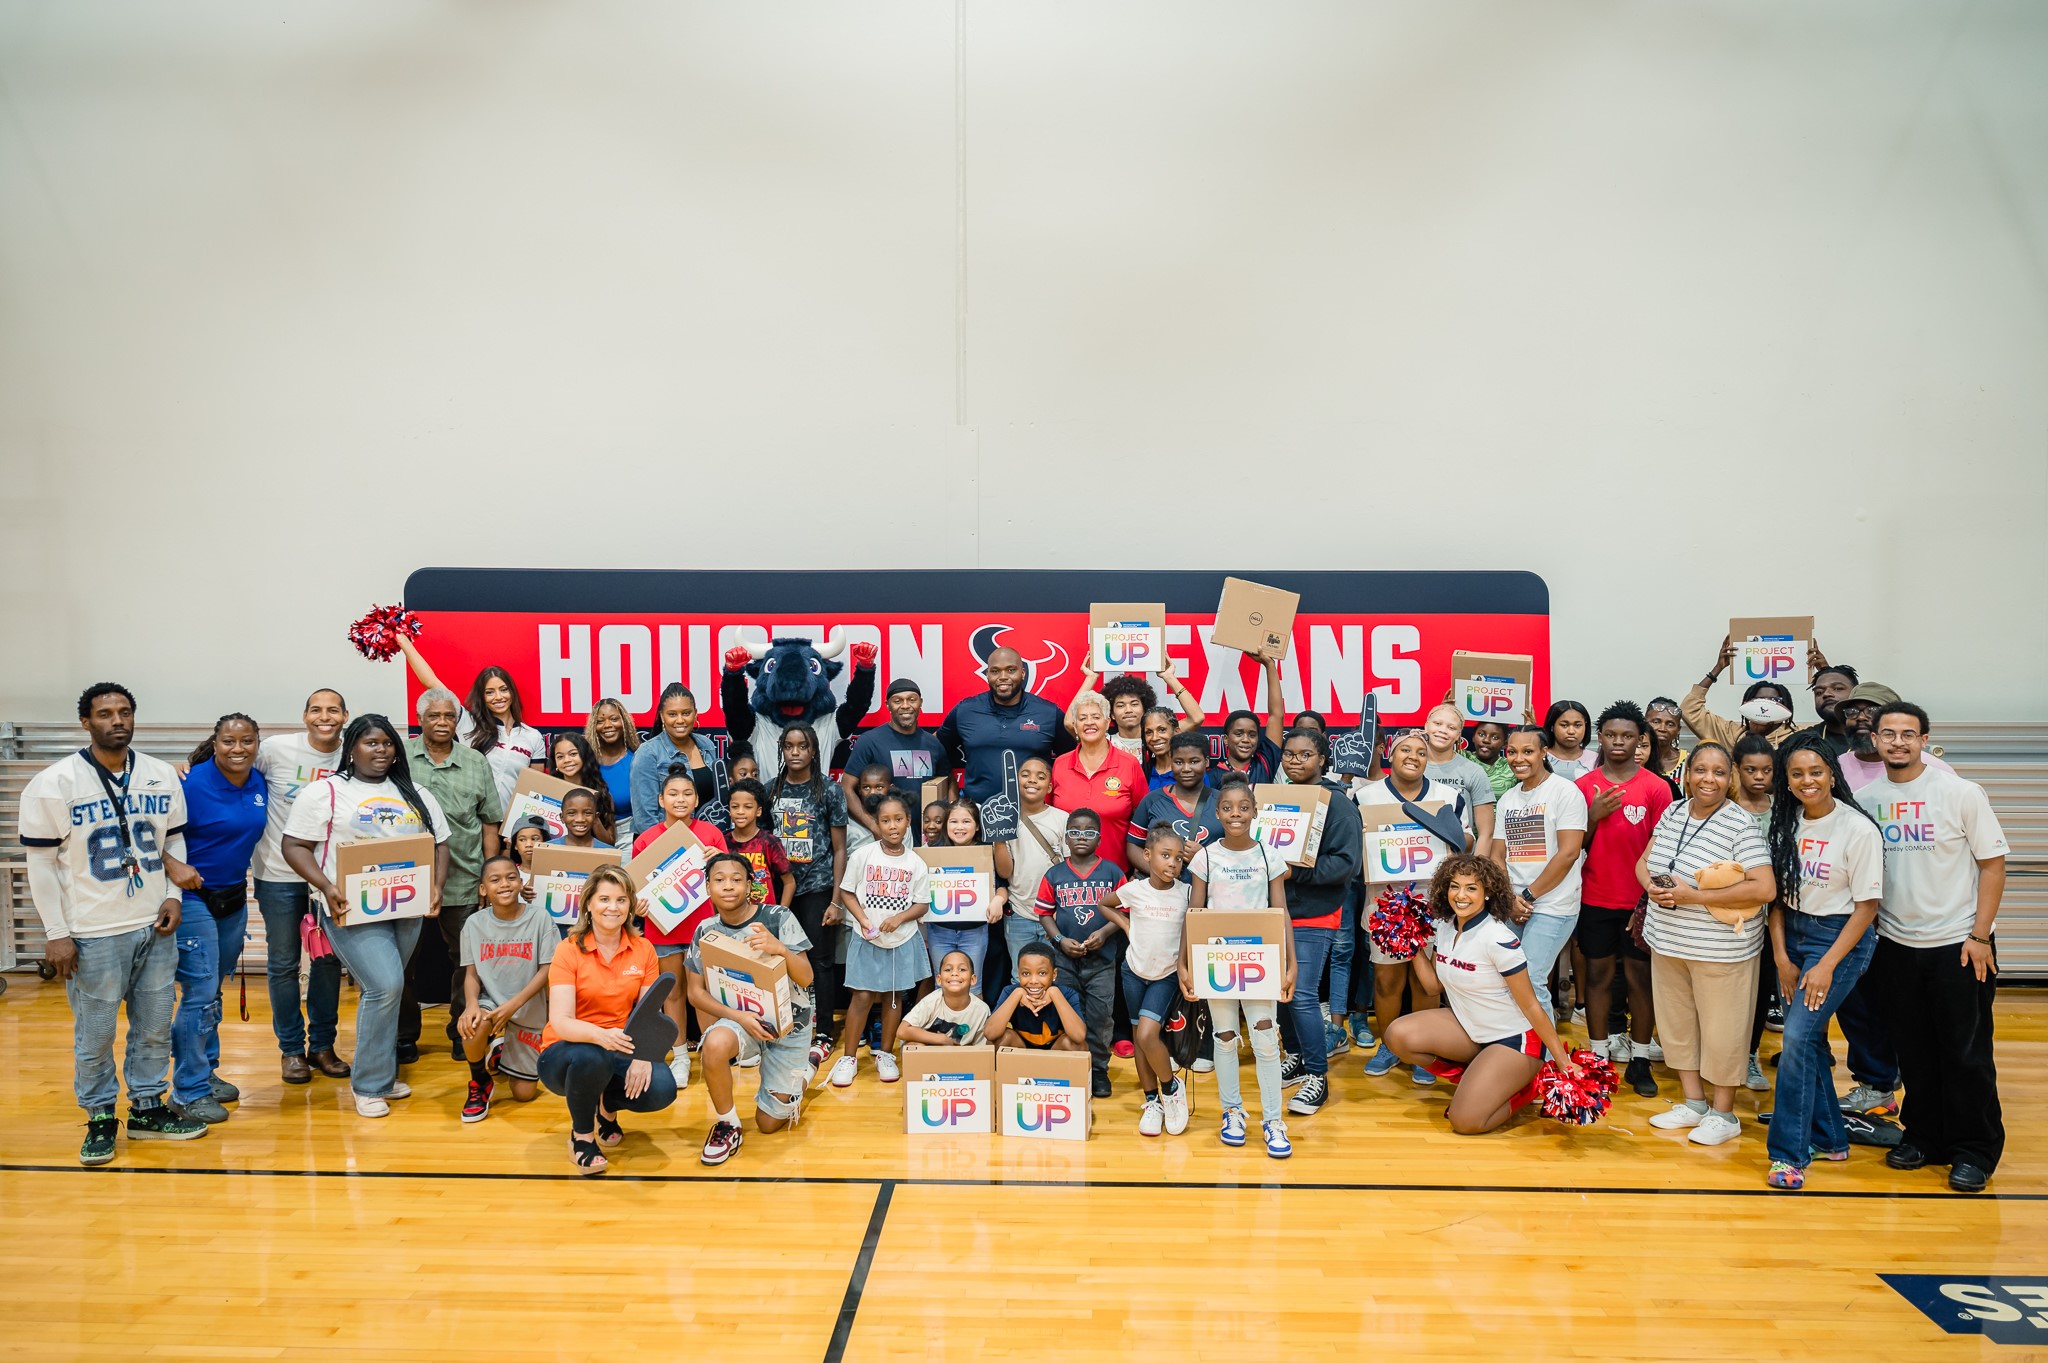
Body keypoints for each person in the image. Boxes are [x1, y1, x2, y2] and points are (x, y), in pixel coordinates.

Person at [22, 683, 208, 1164]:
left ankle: (147, 1108)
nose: (117, 720)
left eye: (124, 712)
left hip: (153, 924)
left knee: (152, 1027)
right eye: (105, 713)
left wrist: (172, 896)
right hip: (91, 931)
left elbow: (174, 842)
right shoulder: (54, 782)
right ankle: (101, 1116)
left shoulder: (160, 774)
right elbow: (40, 866)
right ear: (85, 722)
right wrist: (57, 933)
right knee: (96, 1033)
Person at [1861, 701, 2008, 1193]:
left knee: (1965, 1054)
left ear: (1925, 739)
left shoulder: (1960, 792)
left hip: (1959, 944)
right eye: (1888, 733)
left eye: (1908, 734)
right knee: (1915, 1053)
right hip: (1896, 946)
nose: (1898, 742)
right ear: (1875, 740)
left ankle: (1974, 1149)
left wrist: (1981, 935)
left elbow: (1992, 865)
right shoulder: (1865, 798)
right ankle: (1924, 1138)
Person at [280, 715, 452, 1119]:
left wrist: (436, 887)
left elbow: (440, 845)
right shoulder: (325, 792)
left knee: (393, 988)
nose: (381, 750)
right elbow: (294, 846)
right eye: (371, 743)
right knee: (385, 985)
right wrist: (326, 886)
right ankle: (370, 1084)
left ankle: (382, 1072)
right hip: (351, 908)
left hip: (406, 907)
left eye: (388, 743)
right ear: (351, 747)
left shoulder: (416, 792)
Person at [1636, 742, 1776, 1149]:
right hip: (1668, 940)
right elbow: (1644, 861)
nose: (1708, 779)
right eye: (1700, 770)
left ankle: (1724, 1113)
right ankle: (1693, 1103)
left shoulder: (1740, 824)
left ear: (1730, 776)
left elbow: (1763, 887)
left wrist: (1693, 896)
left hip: (1720, 949)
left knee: (1723, 1032)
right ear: (1687, 773)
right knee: (1678, 1027)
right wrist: (1651, 888)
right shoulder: (1674, 811)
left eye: (1718, 772)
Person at [1762, 737, 1883, 1189]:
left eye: (1816, 771)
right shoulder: (1785, 822)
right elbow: (1775, 899)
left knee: (1795, 1039)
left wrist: (1827, 964)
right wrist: (1780, 957)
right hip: (1791, 933)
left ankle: (1788, 1155)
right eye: (1797, 774)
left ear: (1832, 773)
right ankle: (1831, 1137)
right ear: (1786, 781)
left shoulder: (1857, 829)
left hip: (1839, 937)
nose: (1807, 781)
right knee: (1808, 1042)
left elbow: (1867, 908)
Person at [1386, 855, 1580, 1135]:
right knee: (1398, 1035)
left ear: (1488, 893)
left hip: (1514, 1039)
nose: (1461, 895)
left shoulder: (1498, 939)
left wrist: (1561, 1061)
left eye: (1471, 888)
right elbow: (1432, 987)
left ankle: (1528, 1085)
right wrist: (1412, 941)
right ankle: (1477, 1080)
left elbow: (1530, 1005)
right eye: (1454, 886)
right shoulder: (1445, 926)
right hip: (1471, 1030)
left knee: (1466, 1122)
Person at [535, 864, 674, 1174]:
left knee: (663, 1087)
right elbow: (561, 1020)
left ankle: (606, 1106)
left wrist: (645, 1056)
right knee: (592, 1056)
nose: (613, 907)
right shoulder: (568, 950)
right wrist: (601, 1035)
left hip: (619, 1046)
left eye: (621, 900)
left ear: (630, 906)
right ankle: (581, 1138)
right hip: (566, 1052)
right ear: (588, 904)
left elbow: (652, 1013)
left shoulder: (644, 949)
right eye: (604, 899)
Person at [1183, 776, 1296, 1156]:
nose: (1235, 814)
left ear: (1254, 812)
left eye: (1243, 808)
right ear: (1218, 813)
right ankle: (1232, 1112)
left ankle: (1273, 1120)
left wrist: (1290, 963)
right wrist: (1186, 965)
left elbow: (1281, 913)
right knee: (1225, 1036)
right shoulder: (1205, 857)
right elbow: (1194, 914)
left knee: (1266, 1039)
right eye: (1228, 808)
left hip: (1259, 959)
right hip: (1216, 958)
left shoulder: (1269, 856)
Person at [166, 714, 269, 1124]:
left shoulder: (259, 781)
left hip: (233, 897)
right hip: (192, 898)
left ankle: (206, 1073)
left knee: (213, 990)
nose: (238, 748)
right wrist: (173, 866)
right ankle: (187, 1091)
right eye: (229, 741)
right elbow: (149, 833)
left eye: (247, 741)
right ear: (215, 741)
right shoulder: (188, 783)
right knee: (199, 992)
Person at [249, 688, 353, 1084]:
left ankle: (323, 1046)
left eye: (332, 710)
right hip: (278, 876)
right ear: (304, 715)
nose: (323, 716)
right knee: (282, 964)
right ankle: (291, 1050)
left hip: (331, 881)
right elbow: (229, 763)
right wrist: (184, 768)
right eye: (316, 710)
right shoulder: (276, 749)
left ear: (345, 715)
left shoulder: (352, 754)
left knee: (328, 963)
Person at [685, 851, 817, 1165]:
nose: (728, 886)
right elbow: (694, 993)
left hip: (788, 1026)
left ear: (750, 885)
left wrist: (780, 949)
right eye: (719, 880)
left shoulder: (777, 917)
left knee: (768, 1125)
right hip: (741, 1021)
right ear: (707, 888)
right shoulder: (705, 930)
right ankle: (727, 1124)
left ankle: (807, 1067)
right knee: (714, 1044)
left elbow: (808, 976)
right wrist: (738, 1017)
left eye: (736, 879)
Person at [398, 687, 505, 1065]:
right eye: (434, 716)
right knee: (401, 962)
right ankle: (404, 1035)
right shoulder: (399, 757)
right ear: (421, 719)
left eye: (449, 716)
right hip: (405, 880)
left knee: (466, 961)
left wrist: (488, 877)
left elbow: (490, 821)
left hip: (464, 875)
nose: (442, 722)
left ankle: (463, 1030)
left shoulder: (475, 761)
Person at [1573, 701, 1673, 1095]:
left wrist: (1647, 900)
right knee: (1597, 976)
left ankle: (1641, 1059)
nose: (1618, 742)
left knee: (1640, 980)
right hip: (1595, 897)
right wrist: (1593, 815)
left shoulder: (1656, 788)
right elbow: (1573, 846)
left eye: (1627, 736)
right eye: (1611, 735)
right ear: (1600, 737)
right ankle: (1598, 1056)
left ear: (1640, 740)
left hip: (1640, 903)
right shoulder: (1583, 787)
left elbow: (1666, 850)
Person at [1359, 730, 1470, 1087]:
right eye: (1405, 749)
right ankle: (1390, 1045)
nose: (1413, 756)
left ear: (1429, 759)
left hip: (1434, 903)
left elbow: (1466, 841)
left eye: (1421, 752)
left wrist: (1451, 830)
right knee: (1387, 980)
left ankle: (1426, 1046)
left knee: (1428, 983)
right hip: (1384, 901)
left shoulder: (1447, 796)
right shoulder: (1363, 795)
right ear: (1390, 755)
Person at [1268, 727, 1363, 1118]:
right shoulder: (1275, 798)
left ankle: (1318, 1077)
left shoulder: (1337, 804)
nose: (1294, 761)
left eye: (1304, 755)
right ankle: (1298, 1057)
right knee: (1280, 992)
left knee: (1303, 992)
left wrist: (1294, 872)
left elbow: (1346, 864)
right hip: (1273, 909)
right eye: (1289, 754)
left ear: (1322, 759)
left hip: (1315, 911)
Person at [632, 766, 731, 1082]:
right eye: (673, 793)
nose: (680, 799)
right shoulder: (646, 839)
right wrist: (637, 903)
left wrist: (718, 860)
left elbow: (730, 881)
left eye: (687, 793)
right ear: (661, 799)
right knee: (671, 993)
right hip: (663, 929)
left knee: (705, 991)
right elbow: (634, 887)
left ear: (697, 799)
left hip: (704, 926)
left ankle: (712, 1050)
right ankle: (680, 1059)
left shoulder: (711, 835)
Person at [1098, 823, 1195, 1136]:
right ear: (1147, 855)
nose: (1173, 863)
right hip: (1134, 971)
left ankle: (1170, 1089)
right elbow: (1104, 904)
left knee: (1147, 1035)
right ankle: (1152, 1101)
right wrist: (1126, 926)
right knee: (1140, 1039)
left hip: (1166, 974)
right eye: (1165, 855)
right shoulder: (1134, 889)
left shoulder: (1186, 893)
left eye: (1179, 858)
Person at [829, 792, 931, 1087]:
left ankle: (885, 1054)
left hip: (902, 939)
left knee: (894, 996)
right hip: (867, 938)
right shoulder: (864, 855)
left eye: (898, 819)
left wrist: (899, 918)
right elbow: (847, 891)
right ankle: (848, 1058)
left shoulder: (916, 863)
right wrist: (862, 920)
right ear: (877, 824)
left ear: (908, 822)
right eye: (885, 820)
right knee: (861, 996)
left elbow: (922, 904)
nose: (892, 826)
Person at [1491, 725, 1587, 1021]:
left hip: (1553, 905)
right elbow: (1497, 854)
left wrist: (1528, 896)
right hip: (1513, 902)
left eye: (1528, 751)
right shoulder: (1508, 799)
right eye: (1513, 752)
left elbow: (1569, 853)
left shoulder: (1565, 792)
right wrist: (1509, 897)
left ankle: (1546, 1060)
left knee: (1531, 979)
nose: (1519, 758)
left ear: (1545, 753)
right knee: (1503, 979)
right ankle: (1514, 1050)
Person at [765, 724, 847, 1060]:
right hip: (780, 890)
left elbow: (841, 849)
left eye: (803, 746)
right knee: (778, 960)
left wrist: (837, 899)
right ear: (782, 750)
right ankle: (784, 1026)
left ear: (814, 751)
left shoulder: (829, 791)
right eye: (789, 746)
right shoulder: (770, 790)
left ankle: (824, 1032)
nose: (795, 752)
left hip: (818, 888)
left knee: (820, 962)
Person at [1032, 807, 1125, 1098]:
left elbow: (1124, 913)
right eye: (1074, 833)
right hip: (1065, 960)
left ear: (1099, 838)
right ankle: (1070, 1065)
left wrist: (1105, 932)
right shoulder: (1055, 874)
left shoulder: (1112, 872)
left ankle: (1099, 1070)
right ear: (1066, 838)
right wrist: (1059, 939)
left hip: (1103, 960)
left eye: (1088, 833)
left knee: (1100, 1017)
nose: (1081, 837)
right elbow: (1044, 914)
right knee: (1067, 1014)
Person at [455, 854, 557, 1122]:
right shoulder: (474, 924)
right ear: (482, 889)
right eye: (495, 879)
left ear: (520, 882)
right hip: (491, 1001)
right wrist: (472, 1005)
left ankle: (501, 1046)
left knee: (523, 1094)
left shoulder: (540, 918)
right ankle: (479, 1081)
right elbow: (471, 974)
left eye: (511, 877)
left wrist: (514, 1006)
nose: (504, 884)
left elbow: (547, 970)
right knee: (471, 1027)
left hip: (528, 1005)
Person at [396, 639, 545, 807]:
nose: (498, 697)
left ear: (512, 692)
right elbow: (431, 683)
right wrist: (404, 643)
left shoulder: (533, 736)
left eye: (503, 690)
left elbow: (534, 791)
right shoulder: (468, 723)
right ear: (482, 697)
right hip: (473, 821)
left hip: (513, 827)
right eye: (490, 692)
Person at [936, 646, 1072, 804]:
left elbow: (1070, 760)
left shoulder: (1048, 713)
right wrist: (952, 789)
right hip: (977, 813)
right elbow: (936, 749)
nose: (1003, 677)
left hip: (1031, 815)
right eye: (995, 671)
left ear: (1022, 673)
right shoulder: (966, 711)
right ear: (987, 675)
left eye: (1011, 670)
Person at [1731, 731, 1781, 1087]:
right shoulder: (1726, 809)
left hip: (1769, 917)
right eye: (1751, 770)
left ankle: (1749, 1055)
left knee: (1761, 988)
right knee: (1730, 989)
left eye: (1766, 770)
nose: (1760, 777)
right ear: (1737, 770)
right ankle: (1720, 1055)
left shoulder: (1781, 810)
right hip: (1730, 915)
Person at [841, 678, 952, 841]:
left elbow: (949, 784)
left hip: (927, 838)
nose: (905, 705)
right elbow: (846, 788)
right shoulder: (869, 741)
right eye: (897, 701)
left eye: (912, 700)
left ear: (920, 703)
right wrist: (874, 826)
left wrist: (948, 820)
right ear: (888, 705)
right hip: (886, 838)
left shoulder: (933, 743)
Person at [1050, 691, 1147, 873]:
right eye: (1082, 718)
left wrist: (1138, 869)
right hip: (1066, 877)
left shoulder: (1129, 764)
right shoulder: (1060, 765)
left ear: (1107, 721)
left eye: (1095, 716)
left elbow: (1145, 820)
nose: (1089, 723)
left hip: (1117, 875)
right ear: (1075, 725)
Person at [993, 755, 1068, 978]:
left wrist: (1059, 912)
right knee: (1020, 977)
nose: (1032, 780)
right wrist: (999, 837)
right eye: (1025, 775)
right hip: (1019, 914)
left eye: (1040, 776)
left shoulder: (1062, 819)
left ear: (1050, 785)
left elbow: (1070, 869)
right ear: (1015, 781)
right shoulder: (1005, 819)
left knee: (1056, 977)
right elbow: (1005, 872)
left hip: (1054, 915)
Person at [926, 798, 1006, 983]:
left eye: (966, 821)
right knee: (943, 985)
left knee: (973, 985)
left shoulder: (986, 852)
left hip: (974, 932)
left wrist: (998, 901)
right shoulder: (933, 851)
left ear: (977, 826)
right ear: (946, 825)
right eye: (953, 821)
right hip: (939, 931)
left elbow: (1002, 886)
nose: (959, 827)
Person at [630, 684, 724, 838]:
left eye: (686, 713)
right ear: (662, 716)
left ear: (695, 714)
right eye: (672, 714)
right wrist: (674, 850)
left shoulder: (707, 745)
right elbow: (645, 818)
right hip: (663, 845)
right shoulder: (648, 753)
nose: (680, 720)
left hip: (704, 843)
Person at [1682, 634, 1802, 749]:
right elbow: (1689, 710)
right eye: (1759, 700)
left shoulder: (1798, 737)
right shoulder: (1732, 735)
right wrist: (1717, 669)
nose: (1765, 705)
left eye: (1774, 701)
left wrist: (1821, 671)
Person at [1068, 658, 1206, 758]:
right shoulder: (1103, 740)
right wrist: (1091, 678)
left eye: (1134, 704)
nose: (1128, 710)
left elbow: (1196, 718)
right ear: (1112, 714)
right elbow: (1070, 722)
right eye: (1120, 705)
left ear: (1144, 709)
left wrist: (1169, 677)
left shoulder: (1159, 737)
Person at [1129, 731, 1223, 875]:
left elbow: (1239, 851)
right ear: (1171, 761)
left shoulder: (1223, 802)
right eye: (1179, 762)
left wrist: (1205, 858)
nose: (1186, 769)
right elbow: (1133, 845)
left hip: (1209, 892)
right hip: (1162, 894)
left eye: (1194, 761)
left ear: (1207, 761)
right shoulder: (1152, 800)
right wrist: (1159, 875)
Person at [1836, 683, 1955, 793]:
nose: (1861, 717)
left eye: (1872, 711)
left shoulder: (1934, 768)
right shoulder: (1833, 768)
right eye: (1852, 711)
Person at [1422, 702, 1498, 857]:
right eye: (1437, 724)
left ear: (1458, 735)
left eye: (1451, 728)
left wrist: (1475, 872)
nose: (1443, 730)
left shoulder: (1473, 771)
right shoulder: (1411, 767)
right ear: (1426, 726)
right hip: (1417, 857)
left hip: (1459, 864)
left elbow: (1486, 833)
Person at [988, 941, 1089, 1050]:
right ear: (1018, 974)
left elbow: (1079, 1036)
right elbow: (990, 1034)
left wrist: (1055, 994)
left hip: (1055, 1053)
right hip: (1021, 1050)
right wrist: (1017, 994)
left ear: (1054, 974)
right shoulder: (1010, 991)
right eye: (1026, 973)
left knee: (1077, 1045)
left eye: (1042, 973)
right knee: (999, 1040)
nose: (1033, 981)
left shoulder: (1067, 993)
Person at [1209, 657, 1287, 787]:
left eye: (1252, 735)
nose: (1246, 739)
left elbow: (1276, 715)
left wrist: (1270, 665)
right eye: (1239, 734)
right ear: (1226, 739)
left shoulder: (1264, 763)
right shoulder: (1211, 777)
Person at [722, 778, 796, 909]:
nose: (740, 811)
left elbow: (789, 882)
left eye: (748, 807)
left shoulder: (769, 842)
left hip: (764, 917)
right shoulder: (723, 841)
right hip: (732, 916)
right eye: (735, 806)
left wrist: (779, 915)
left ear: (758, 811)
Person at [898, 949, 992, 1046]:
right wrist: (941, 1039)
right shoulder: (931, 1001)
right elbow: (902, 1031)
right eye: (948, 969)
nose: (954, 973)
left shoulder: (982, 1010)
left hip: (960, 1057)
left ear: (973, 979)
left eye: (962, 969)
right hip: (927, 1053)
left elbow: (981, 1050)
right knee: (914, 1046)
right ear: (939, 979)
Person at [583, 697, 641, 847]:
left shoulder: (637, 760)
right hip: (589, 834)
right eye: (600, 721)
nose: (607, 725)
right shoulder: (586, 763)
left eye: (614, 719)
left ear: (624, 723)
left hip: (629, 835)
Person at [548, 733, 619, 845]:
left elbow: (609, 843)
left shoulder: (601, 794)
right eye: (560, 757)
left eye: (573, 754)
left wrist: (592, 816)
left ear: (584, 756)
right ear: (555, 762)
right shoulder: (545, 791)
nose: (567, 760)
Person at [1793, 663, 1860, 759]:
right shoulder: (1800, 741)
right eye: (1819, 692)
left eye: (1837, 688)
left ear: (1856, 693)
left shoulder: (1875, 739)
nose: (1826, 694)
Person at [1541, 700, 1598, 780]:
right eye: (1564, 725)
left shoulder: (1597, 760)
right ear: (1552, 726)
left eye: (1577, 725)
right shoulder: (1539, 757)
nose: (1571, 731)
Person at [1644, 697, 1690, 786]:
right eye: (1656, 722)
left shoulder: (1689, 762)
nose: (1662, 729)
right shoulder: (1634, 759)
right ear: (1644, 723)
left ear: (1678, 730)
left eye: (1670, 724)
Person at [1465, 720, 1516, 796]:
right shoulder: (1462, 757)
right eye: (1481, 734)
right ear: (1473, 737)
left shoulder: (1511, 766)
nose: (1486, 740)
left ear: (1505, 744)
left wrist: (1530, 732)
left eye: (1495, 737)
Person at [1138, 706, 1181, 791]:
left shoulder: (1190, 772)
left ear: (1176, 732)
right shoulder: (1139, 772)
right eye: (1148, 732)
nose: (1155, 738)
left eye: (1162, 730)